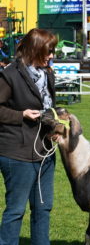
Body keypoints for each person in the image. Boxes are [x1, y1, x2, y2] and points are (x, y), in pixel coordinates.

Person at [0, 28, 58, 245]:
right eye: (48, 51)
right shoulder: (10, 75)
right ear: (35, 49)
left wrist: (56, 124)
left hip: (44, 153)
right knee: (15, 210)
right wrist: (20, 115)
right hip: (16, 153)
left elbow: (48, 107)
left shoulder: (48, 74)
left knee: (43, 208)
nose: (52, 56)